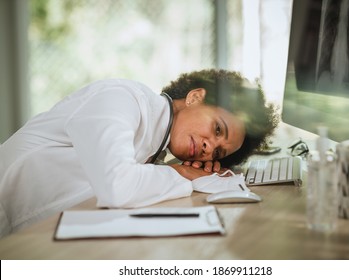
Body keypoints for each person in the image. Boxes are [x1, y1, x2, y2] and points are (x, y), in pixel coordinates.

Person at [0, 69, 278, 237]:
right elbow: (117, 187)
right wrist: (179, 172)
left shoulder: (156, 146)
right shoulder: (123, 98)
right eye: (217, 129)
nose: (208, 149)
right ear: (195, 97)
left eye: (218, 152)